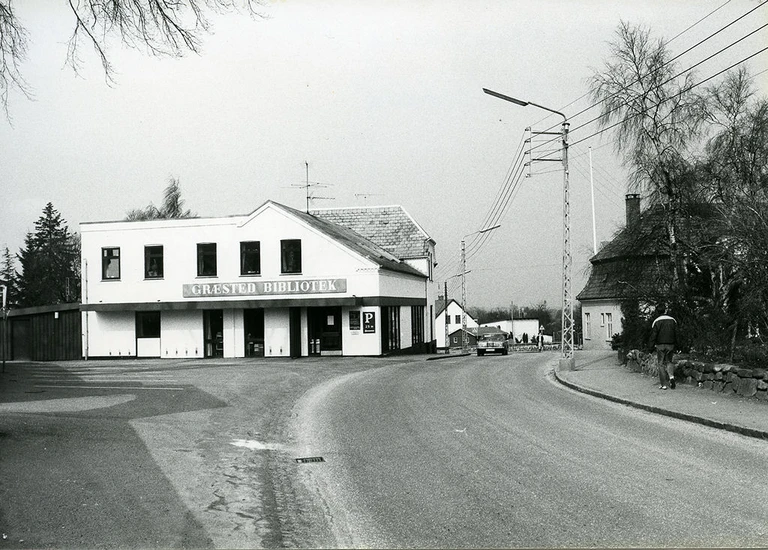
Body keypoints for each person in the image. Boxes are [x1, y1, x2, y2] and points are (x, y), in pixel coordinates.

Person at [649, 306, 678, 390]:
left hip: (660, 345)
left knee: (661, 364)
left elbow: (653, 335)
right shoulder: (673, 320)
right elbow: (676, 333)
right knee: (669, 361)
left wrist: (650, 347)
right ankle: (671, 377)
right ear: (665, 311)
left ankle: (663, 384)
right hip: (670, 344)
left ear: (657, 312)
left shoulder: (656, 321)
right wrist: (678, 344)